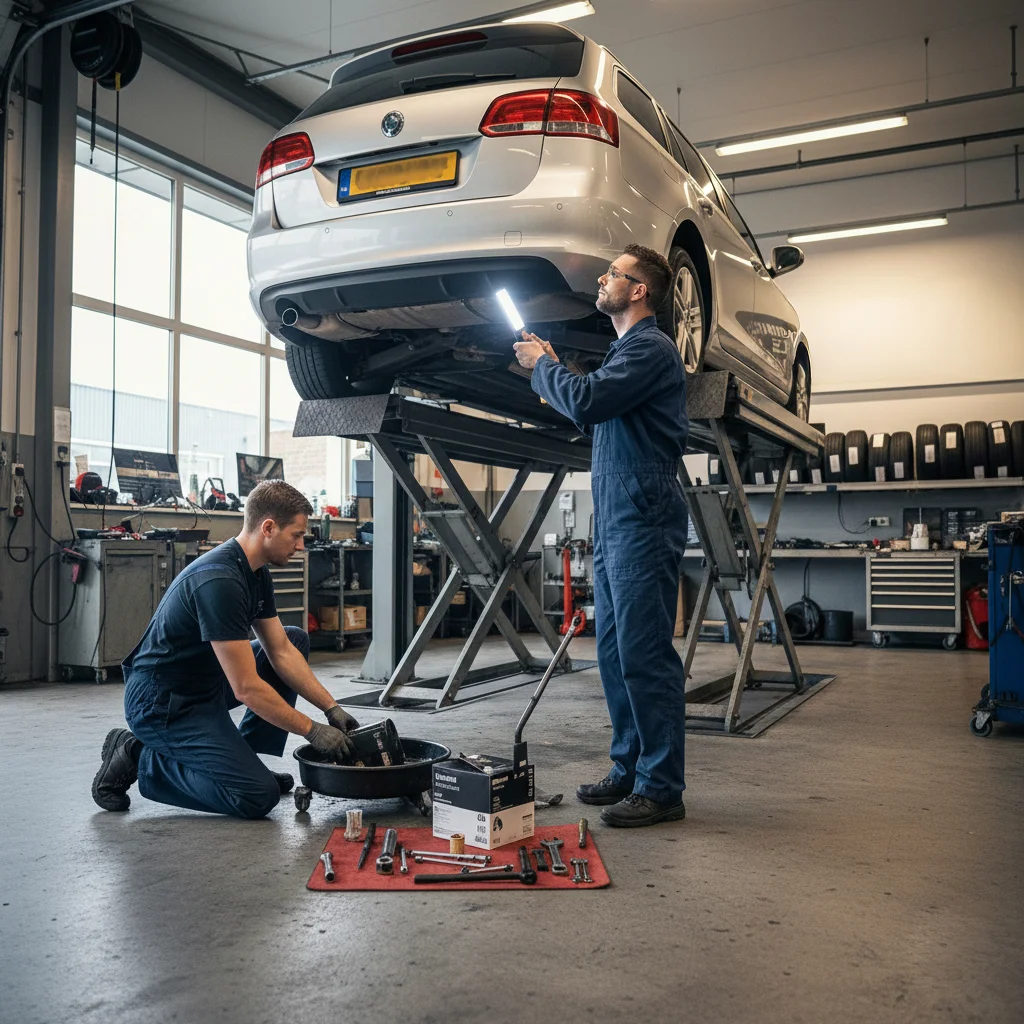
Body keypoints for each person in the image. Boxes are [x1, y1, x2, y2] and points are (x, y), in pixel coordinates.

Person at [513, 243, 689, 828]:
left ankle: (661, 788)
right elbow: (588, 399)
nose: (603, 278)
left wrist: (544, 365)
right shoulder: (625, 353)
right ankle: (630, 766)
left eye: (614, 273)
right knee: (614, 654)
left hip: (643, 518)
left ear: (639, 290)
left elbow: (586, 403)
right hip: (617, 521)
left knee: (644, 655)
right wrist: (555, 371)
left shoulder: (651, 348)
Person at [91, 480, 359, 819]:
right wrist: (312, 730)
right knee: (256, 797)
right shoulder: (221, 580)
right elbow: (246, 688)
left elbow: (281, 651)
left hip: (204, 684)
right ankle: (136, 754)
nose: (301, 546)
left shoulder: (255, 572)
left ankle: (241, 760)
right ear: (268, 528)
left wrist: (331, 709)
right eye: (296, 535)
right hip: (163, 702)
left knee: (294, 639)